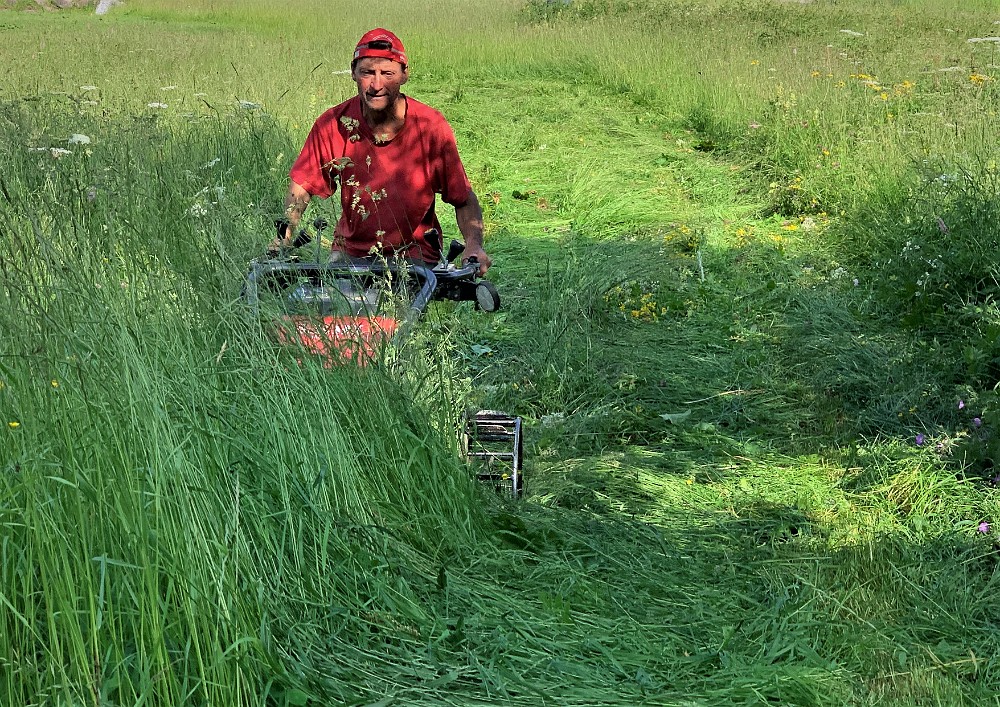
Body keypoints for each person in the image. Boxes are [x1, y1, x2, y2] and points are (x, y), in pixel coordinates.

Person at [272, 28, 491, 275]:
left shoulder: (431, 126)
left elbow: (462, 197)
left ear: (404, 74)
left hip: (415, 255)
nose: (376, 85)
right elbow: (301, 186)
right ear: (353, 72)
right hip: (351, 253)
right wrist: (284, 237)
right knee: (326, 298)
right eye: (367, 73)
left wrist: (473, 245)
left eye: (387, 74)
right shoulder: (333, 124)